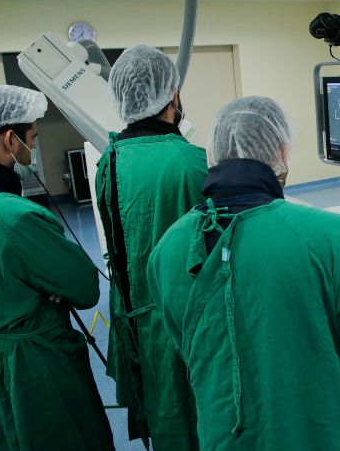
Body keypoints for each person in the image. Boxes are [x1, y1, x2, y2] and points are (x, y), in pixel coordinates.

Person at [147, 96, 340, 450]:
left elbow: (195, 348)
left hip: (224, 437)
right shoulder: (327, 235)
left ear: (212, 154)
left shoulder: (167, 250)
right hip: (321, 433)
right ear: (282, 151)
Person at [0, 85, 113, 451]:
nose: (33, 146)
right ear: (10, 140)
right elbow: (84, 287)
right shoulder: (15, 218)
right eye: (32, 137)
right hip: (30, 378)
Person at [95, 46, 207, 449]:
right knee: (193, 413)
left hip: (132, 314)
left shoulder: (110, 159)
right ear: (172, 95)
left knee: (162, 413)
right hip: (179, 319)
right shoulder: (190, 162)